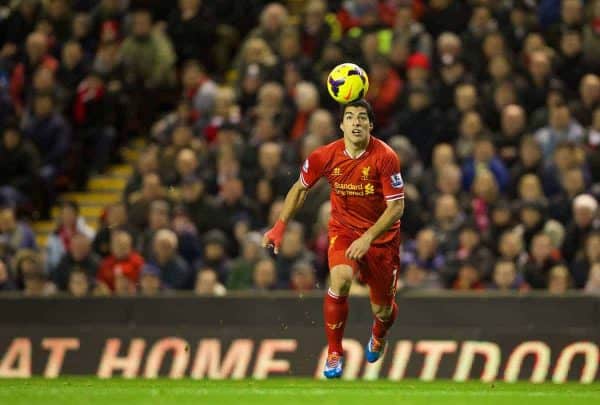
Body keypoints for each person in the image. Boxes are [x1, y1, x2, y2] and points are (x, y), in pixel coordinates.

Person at [262, 99, 404, 379]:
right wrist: (279, 227)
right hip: (343, 229)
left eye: (362, 117)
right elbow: (300, 189)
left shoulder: (386, 157)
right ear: (341, 125)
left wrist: (368, 237)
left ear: (371, 125)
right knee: (339, 280)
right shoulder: (324, 156)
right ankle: (334, 353)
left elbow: (397, 207)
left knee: (383, 309)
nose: (356, 122)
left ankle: (379, 333)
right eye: (350, 117)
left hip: (381, 238)